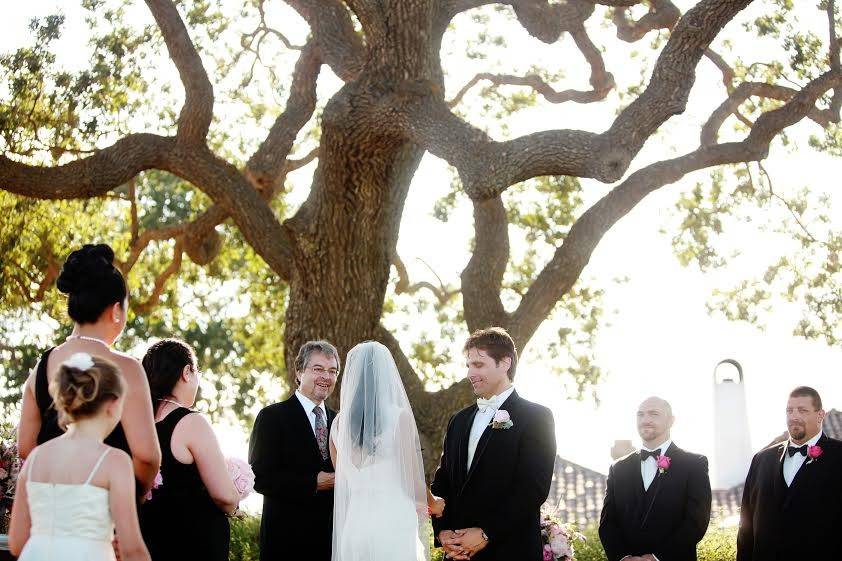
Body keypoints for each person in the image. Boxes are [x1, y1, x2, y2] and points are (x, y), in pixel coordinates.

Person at [17, 244, 160, 495]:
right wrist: (129, 499)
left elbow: (25, 448)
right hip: (103, 514)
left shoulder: (41, 367)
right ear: (116, 310)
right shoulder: (128, 370)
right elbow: (147, 457)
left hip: (50, 510)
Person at [8, 353, 151, 561]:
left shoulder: (36, 458)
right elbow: (133, 550)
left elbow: (17, 543)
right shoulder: (114, 461)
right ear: (113, 403)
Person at [431, 327, 556, 560]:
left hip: (511, 551)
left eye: (478, 365)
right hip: (458, 554)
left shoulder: (536, 417)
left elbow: (533, 488)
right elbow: (442, 483)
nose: (470, 373)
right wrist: (443, 533)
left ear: (505, 363)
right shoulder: (458, 420)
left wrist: (487, 532)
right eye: (468, 365)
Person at [329, 340, 441, 561]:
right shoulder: (399, 417)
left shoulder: (338, 425)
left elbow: (344, 479)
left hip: (354, 526)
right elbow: (412, 481)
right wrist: (434, 503)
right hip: (392, 523)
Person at [138, 339, 239, 561]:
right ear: (186, 372)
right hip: (192, 545)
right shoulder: (191, 422)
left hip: (149, 542)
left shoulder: (138, 424)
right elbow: (224, 495)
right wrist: (236, 500)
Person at [248, 340, 340, 561]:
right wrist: (315, 482)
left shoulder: (340, 422)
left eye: (333, 371)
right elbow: (260, 478)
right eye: (318, 369)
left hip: (331, 545)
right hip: (286, 544)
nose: (326, 377)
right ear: (299, 372)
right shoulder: (272, 417)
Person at [598, 396, 711, 561]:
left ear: (671, 420)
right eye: (640, 414)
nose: (645, 420)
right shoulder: (618, 468)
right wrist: (623, 557)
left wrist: (658, 557)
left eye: (653, 414)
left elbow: (696, 521)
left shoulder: (694, 464)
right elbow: (607, 523)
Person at [737, 386, 842, 560]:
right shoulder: (761, 460)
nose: (794, 417)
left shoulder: (838, 456)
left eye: (802, 410)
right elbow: (746, 526)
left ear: (820, 415)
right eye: (789, 410)